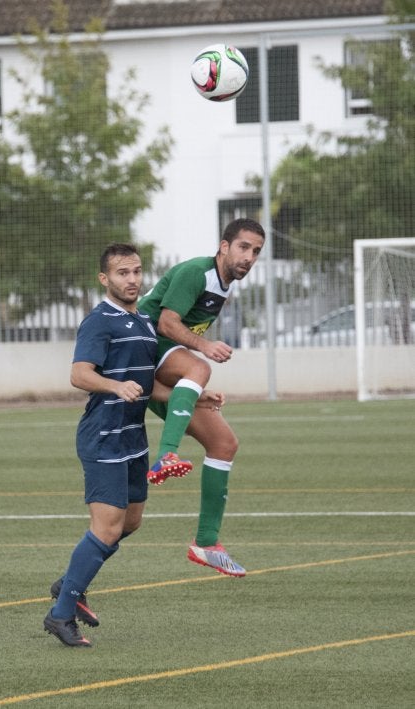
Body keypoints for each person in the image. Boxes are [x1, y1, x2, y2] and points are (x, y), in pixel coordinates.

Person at [44, 242, 158, 647]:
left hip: (134, 437)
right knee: (106, 529)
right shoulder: (100, 320)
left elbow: (148, 381)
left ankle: (71, 580)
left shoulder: (144, 320)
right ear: (104, 279)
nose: (132, 280)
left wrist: (194, 396)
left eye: (137, 271)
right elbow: (79, 374)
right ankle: (60, 615)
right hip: (104, 436)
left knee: (130, 523)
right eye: (123, 273)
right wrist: (113, 384)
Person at [138, 217, 266, 577]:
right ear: (224, 246)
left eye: (256, 251)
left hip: (163, 366)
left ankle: (206, 543)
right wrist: (205, 347)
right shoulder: (196, 272)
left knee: (224, 443)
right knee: (200, 368)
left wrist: (194, 394)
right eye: (243, 247)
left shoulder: (224, 285)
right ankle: (165, 455)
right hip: (143, 352)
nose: (249, 257)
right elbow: (166, 324)